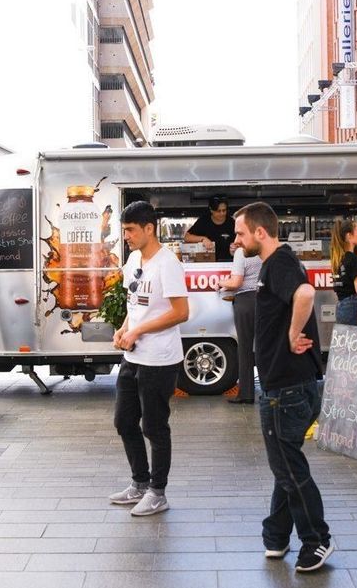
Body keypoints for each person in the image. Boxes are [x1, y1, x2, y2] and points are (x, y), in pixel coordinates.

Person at [232, 202, 333, 573]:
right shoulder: (274, 265)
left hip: (287, 388)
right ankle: (276, 535)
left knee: (288, 466)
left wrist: (293, 334)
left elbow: (305, 294)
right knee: (284, 461)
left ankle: (317, 539)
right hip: (287, 383)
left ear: (260, 233)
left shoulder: (279, 263)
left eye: (241, 233)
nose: (236, 240)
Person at [108, 201, 190, 516]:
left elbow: (181, 313)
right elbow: (134, 306)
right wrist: (123, 329)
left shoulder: (167, 264)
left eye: (130, 230)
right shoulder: (133, 260)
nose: (125, 235)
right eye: (124, 229)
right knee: (124, 421)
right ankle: (139, 484)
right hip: (134, 355)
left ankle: (158, 493)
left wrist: (138, 330)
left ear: (148, 228)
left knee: (154, 427)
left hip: (160, 359)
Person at [220, 242, 262, 404]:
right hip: (264, 299)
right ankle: (268, 392)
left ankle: (246, 394)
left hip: (245, 301)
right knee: (263, 346)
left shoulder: (241, 252)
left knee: (244, 348)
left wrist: (222, 282)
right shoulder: (264, 248)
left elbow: (236, 282)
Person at [331, 219, 357, 327]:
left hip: (340, 307)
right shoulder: (355, 259)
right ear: (349, 236)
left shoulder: (337, 259)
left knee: (345, 342)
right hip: (353, 306)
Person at [184, 194, 236, 262]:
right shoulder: (204, 221)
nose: (222, 213)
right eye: (218, 211)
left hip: (228, 263)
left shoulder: (232, 222)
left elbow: (242, 241)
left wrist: (236, 247)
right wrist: (203, 239)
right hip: (208, 263)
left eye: (224, 210)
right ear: (211, 210)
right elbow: (187, 237)